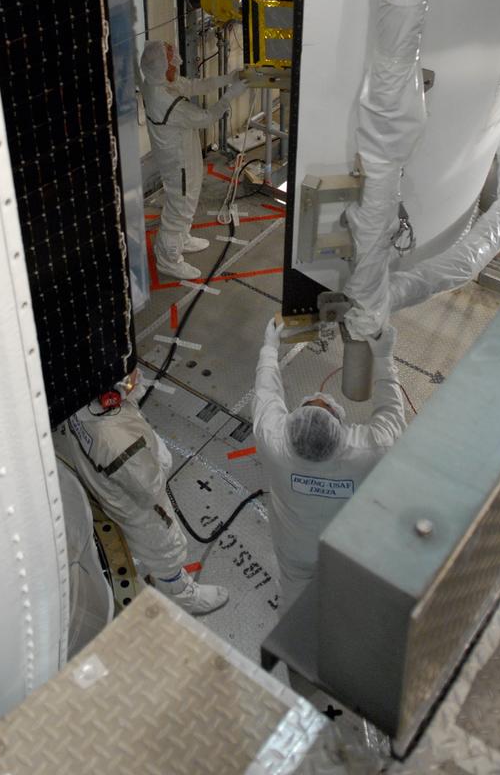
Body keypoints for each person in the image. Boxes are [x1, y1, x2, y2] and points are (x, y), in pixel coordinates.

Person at [252, 317, 405, 606]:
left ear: (291, 423)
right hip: (343, 551)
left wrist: (269, 350)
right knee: (344, 602)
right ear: (340, 428)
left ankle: (291, 640)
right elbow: (392, 415)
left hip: (295, 549)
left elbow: (266, 394)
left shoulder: (275, 443)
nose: (321, 398)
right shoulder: (365, 452)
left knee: (293, 598)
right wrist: (384, 357)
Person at [64, 366, 228, 616]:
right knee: (165, 549)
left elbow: (122, 410)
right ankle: (180, 595)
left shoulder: (81, 398)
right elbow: (150, 488)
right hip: (141, 510)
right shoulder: (115, 441)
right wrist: (160, 453)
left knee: (143, 546)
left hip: (108, 486)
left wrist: (129, 387)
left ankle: (157, 576)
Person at [139, 40, 248, 279]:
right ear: (160, 66)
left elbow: (193, 86)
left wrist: (228, 78)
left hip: (183, 151)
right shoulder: (165, 100)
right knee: (180, 207)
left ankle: (182, 238)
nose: (176, 62)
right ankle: (168, 259)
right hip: (179, 161)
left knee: (185, 200)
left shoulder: (158, 82)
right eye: (170, 59)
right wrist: (230, 96)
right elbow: (206, 117)